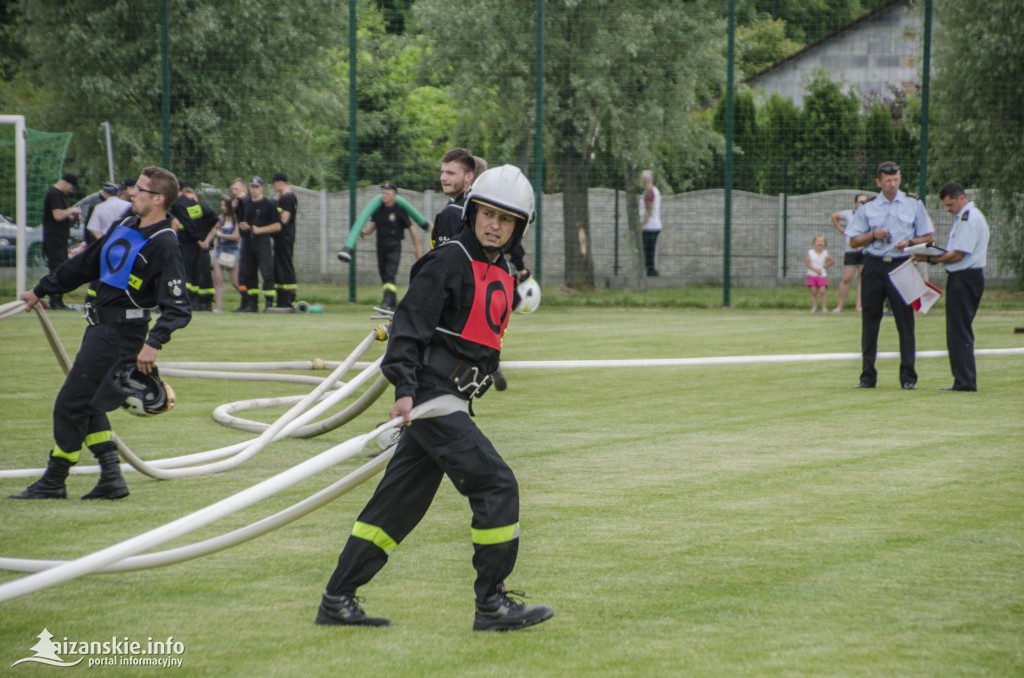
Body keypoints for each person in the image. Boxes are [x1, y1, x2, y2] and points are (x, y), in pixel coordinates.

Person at [316, 165, 553, 632]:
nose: (494, 225)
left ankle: (336, 599)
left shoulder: (501, 269)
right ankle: (491, 605)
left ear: (518, 228)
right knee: (496, 484)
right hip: (431, 398)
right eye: (487, 214)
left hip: (453, 401)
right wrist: (405, 390)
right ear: (472, 212)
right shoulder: (447, 262)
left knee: (395, 507)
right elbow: (407, 329)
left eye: (506, 220)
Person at [12, 166, 191, 500]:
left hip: (121, 333)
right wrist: (43, 288)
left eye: (139, 189)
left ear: (158, 199)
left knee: (70, 403)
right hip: (100, 327)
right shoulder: (126, 223)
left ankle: (54, 479)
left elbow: (179, 306)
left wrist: (153, 344)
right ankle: (111, 477)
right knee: (90, 402)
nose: (131, 193)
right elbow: (88, 262)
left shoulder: (165, 243)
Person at [846, 162, 934, 390]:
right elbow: (853, 240)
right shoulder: (868, 207)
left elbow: (928, 235)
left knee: (906, 322)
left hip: (902, 265)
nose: (892, 184)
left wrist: (911, 242)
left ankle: (908, 377)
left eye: (895, 179)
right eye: (887, 180)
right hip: (874, 265)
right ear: (878, 182)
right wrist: (873, 235)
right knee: (870, 321)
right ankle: (867, 376)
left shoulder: (914, 204)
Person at [915, 182, 990, 392]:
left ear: (961, 198)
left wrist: (931, 259)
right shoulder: (967, 217)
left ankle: (965, 381)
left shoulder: (968, 218)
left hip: (964, 278)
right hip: (966, 277)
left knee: (959, 331)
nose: (948, 209)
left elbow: (958, 254)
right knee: (958, 329)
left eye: (950, 205)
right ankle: (963, 379)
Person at [361, 182, 422, 310]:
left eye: (387, 193)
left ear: (394, 195)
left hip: (394, 245)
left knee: (390, 273)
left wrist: (418, 249)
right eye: (383, 193)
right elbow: (372, 226)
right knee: (384, 274)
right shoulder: (379, 209)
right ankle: (393, 304)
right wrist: (365, 232)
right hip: (381, 245)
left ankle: (386, 301)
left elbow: (412, 229)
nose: (384, 195)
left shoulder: (399, 210)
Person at [170, 183, 217, 312]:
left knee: (187, 273)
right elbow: (213, 218)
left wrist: (198, 238)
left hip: (188, 243)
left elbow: (186, 223)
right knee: (201, 274)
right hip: (201, 245)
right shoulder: (195, 205)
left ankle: (189, 300)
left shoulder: (177, 204)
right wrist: (205, 238)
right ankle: (204, 302)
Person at [237, 176, 280, 312]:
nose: (254, 190)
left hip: (262, 242)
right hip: (248, 241)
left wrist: (260, 229)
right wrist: (243, 226)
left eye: (257, 187)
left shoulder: (269, 204)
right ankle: (251, 304)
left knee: (267, 272)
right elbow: (243, 220)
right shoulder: (247, 203)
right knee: (247, 273)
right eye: (252, 187)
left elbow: (278, 226)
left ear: (262, 188)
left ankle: (269, 304)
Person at [41, 172, 82, 310]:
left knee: (59, 268)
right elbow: (58, 216)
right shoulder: (54, 194)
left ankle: (56, 298)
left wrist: (72, 218)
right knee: (57, 269)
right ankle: (55, 300)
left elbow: (61, 220)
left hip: (59, 239)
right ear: (64, 182)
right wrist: (72, 209)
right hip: (54, 240)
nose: (71, 191)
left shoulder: (60, 196)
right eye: (71, 187)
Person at [431, 148, 477, 249]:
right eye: (442, 172)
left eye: (450, 173)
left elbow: (443, 259)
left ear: (468, 177)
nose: (443, 178)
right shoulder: (479, 206)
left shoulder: (452, 212)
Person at [203, 196, 241, 313]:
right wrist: (206, 242)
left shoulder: (235, 219)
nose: (223, 208)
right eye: (222, 205)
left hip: (232, 251)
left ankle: (248, 299)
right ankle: (219, 308)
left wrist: (222, 235)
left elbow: (236, 236)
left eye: (225, 205)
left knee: (234, 281)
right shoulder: (220, 219)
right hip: (220, 251)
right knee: (218, 280)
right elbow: (214, 232)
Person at [830, 193, 868, 312]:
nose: (862, 204)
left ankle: (859, 306)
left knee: (862, 278)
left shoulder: (869, 215)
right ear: (855, 203)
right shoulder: (848, 213)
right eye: (860, 202)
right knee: (847, 278)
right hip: (850, 250)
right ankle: (839, 306)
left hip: (864, 249)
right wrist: (841, 229)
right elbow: (834, 217)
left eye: (864, 202)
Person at [272, 172, 298, 308]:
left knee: (285, 265)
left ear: (279, 182)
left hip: (285, 236)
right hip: (278, 237)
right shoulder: (281, 197)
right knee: (278, 266)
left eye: (274, 184)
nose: (274, 187)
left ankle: (290, 297)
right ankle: (281, 297)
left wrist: (274, 213)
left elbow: (285, 219)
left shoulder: (289, 197)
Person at [639, 169, 662, 276]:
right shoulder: (654, 190)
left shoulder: (649, 191)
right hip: (653, 225)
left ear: (645, 180)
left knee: (648, 250)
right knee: (649, 250)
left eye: (641, 178)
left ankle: (651, 271)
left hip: (649, 226)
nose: (640, 181)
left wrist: (641, 225)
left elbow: (648, 210)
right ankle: (651, 271)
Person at [805, 234, 835, 313]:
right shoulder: (810, 252)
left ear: (825, 244)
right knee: (814, 292)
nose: (820, 243)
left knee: (822, 291)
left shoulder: (825, 253)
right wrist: (815, 270)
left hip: (822, 275)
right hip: (812, 275)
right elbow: (807, 263)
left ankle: (824, 307)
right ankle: (814, 307)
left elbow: (832, 261)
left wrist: (823, 268)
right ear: (814, 243)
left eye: (822, 241)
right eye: (818, 241)